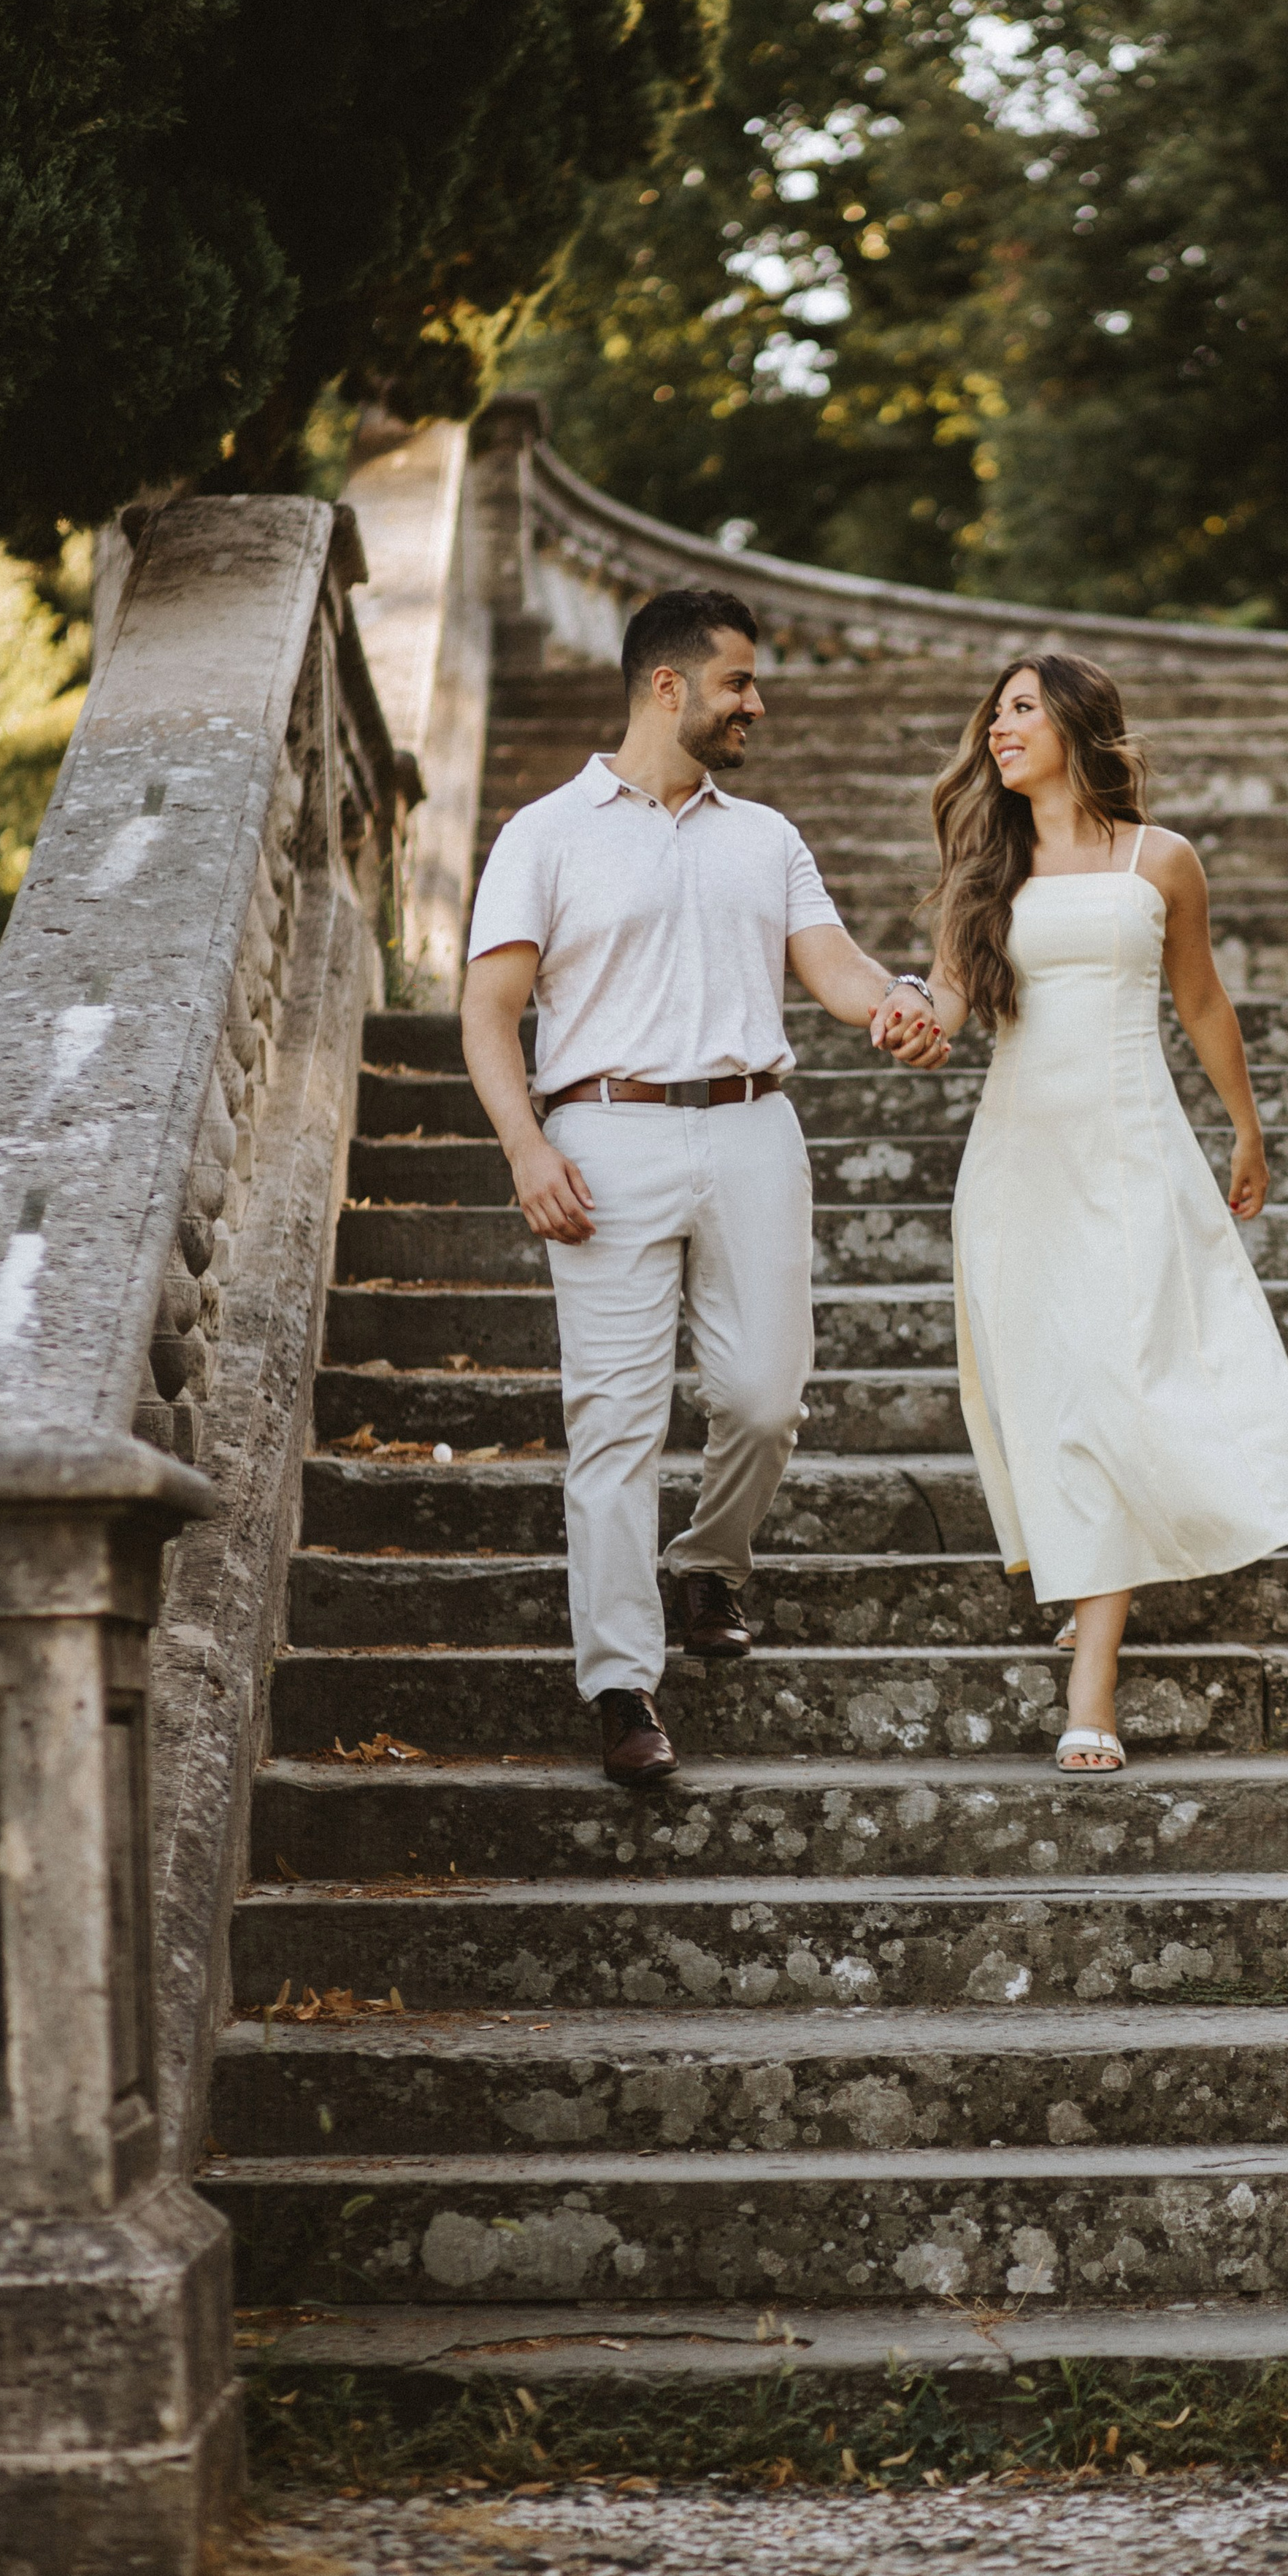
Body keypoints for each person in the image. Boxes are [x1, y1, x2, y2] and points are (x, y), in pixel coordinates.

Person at [461, 587, 939, 1786]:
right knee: (613, 1424)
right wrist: (527, 1146)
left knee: (765, 1397)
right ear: (667, 686)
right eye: (737, 682)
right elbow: (489, 1010)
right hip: (603, 1139)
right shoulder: (544, 833)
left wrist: (899, 1000)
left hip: (751, 1130)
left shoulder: (765, 836)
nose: (756, 704)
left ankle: (712, 1558)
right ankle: (622, 1683)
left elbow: (831, 968)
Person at [870, 652, 1288, 1772]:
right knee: (1049, 1391)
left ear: (1079, 727)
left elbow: (1200, 996)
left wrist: (1245, 1126)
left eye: (1024, 712)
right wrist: (916, 1018)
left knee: (1115, 1384)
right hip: (1017, 1165)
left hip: (1135, 1156)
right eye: (994, 715)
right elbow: (949, 994)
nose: (1001, 731)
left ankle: (1090, 1682)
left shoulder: (1164, 860)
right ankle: (1088, 1568)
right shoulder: (982, 867)